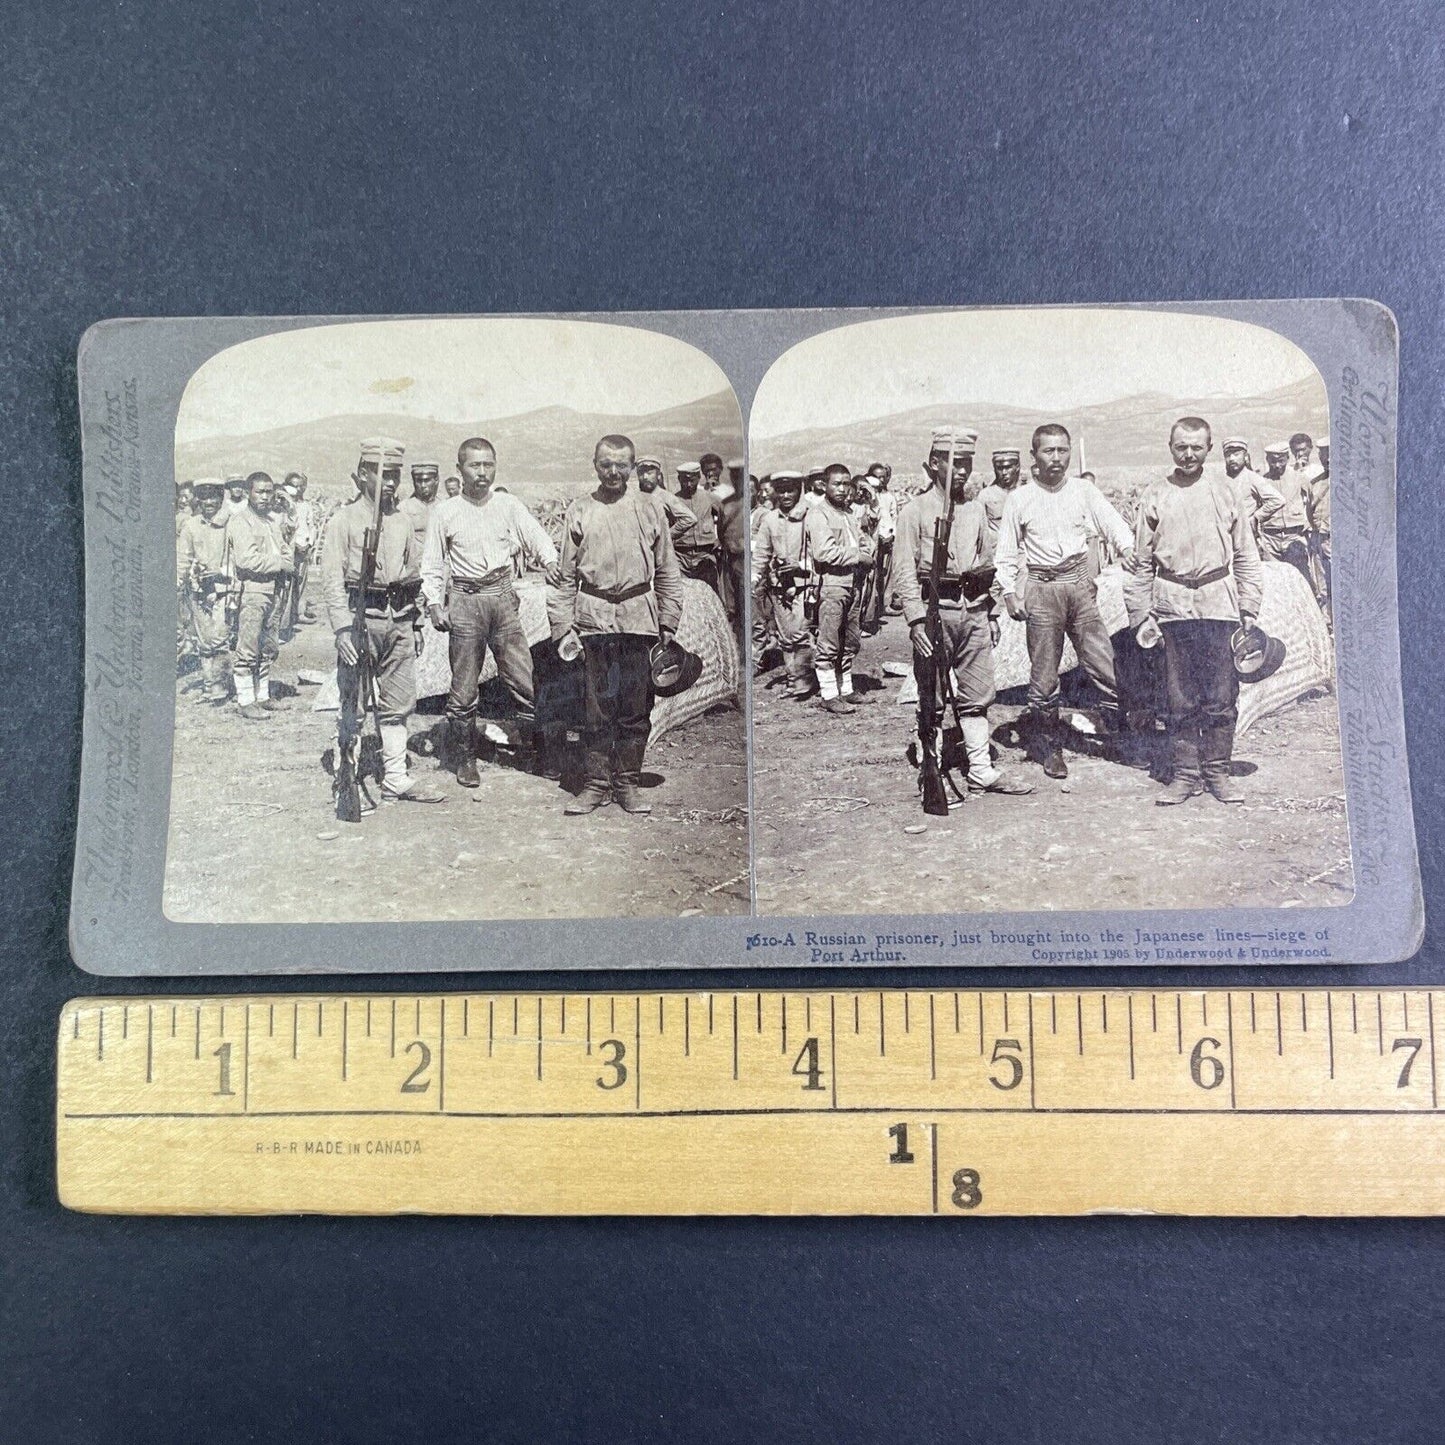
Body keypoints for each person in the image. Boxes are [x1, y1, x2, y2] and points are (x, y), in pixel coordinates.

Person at [1125, 417, 1263, 805]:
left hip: (1218, 606)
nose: (1188, 454)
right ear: (1170, 447)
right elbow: (1140, 562)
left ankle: (1218, 772)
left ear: (1209, 448)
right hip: (1173, 608)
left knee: (1220, 695)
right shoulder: (1156, 494)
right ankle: (1186, 774)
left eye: (1196, 447)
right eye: (1181, 447)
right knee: (1179, 698)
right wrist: (1140, 615)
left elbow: (1246, 555)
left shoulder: (1225, 492)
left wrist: (1249, 604)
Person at [550, 434, 683, 815]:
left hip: (638, 620)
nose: (613, 471)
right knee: (595, 706)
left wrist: (669, 619)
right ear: (595, 465)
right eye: (605, 464)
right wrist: (562, 627)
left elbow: (667, 570)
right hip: (593, 620)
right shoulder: (580, 509)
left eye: (621, 465)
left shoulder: (649, 509)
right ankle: (595, 784)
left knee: (634, 707)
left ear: (634, 466)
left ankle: (626, 783)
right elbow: (564, 576)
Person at [895, 428, 1031, 795]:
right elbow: (904, 572)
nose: (962, 471)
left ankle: (980, 770)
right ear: (934, 464)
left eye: (968, 464)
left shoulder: (974, 511)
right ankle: (931, 768)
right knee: (932, 696)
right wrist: (916, 621)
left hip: (973, 612)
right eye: (954, 463)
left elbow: (988, 563)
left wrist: (990, 614)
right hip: (934, 612)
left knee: (978, 692)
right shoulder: (913, 512)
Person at [995, 425, 1134, 780]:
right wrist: (1010, 592)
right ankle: (1049, 747)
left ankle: (1123, 739)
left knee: (1105, 666)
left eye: (1062, 451)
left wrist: (1129, 550)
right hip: (1041, 589)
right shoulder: (1020, 499)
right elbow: (1007, 552)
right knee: (1043, 678)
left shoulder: (1084, 491)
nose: (1056, 459)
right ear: (1034, 456)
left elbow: (1114, 525)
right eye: (1048, 451)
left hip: (1079, 586)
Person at [421, 437, 557, 787]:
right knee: (464, 687)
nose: (482, 473)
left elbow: (536, 537)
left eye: (488, 465)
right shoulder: (446, 511)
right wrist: (435, 602)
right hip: (465, 602)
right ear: (459, 469)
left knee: (524, 680)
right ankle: (465, 759)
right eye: (474, 465)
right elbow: (433, 563)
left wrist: (551, 561)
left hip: (503, 600)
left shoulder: (508, 505)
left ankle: (536, 752)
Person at [320, 437, 444, 806]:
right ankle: (350, 777)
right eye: (383, 475)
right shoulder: (343, 521)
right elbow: (330, 578)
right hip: (361, 621)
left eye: (395, 476)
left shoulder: (402, 521)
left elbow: (414, 573)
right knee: (354, 705)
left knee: (398, 702)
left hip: (399, 620)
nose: (391, 483)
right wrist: (342, 628)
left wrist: (416, 623)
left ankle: (395, 777)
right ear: (362, 475)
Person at [804, 462, 876, 713]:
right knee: (830, 641)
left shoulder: (849, 514)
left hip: (854, 583)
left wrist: (864, 552)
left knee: (851, 640)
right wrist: (858, 556)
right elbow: (824, 552)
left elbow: (864, 541)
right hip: (832, 584)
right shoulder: (818, 514)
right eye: (837, 484)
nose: (843, 489)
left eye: (847, 484)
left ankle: (846, 689)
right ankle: (828, 694)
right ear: (824, 485)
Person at [223, 472, 294, 719]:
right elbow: (246, 560)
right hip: (253, 591)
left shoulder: (272, 522)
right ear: (248, 493)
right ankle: (245, 700)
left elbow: (288, 553)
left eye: (269, 491)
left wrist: (284, 562)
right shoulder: (240, 521)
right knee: (248, 645)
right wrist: (280, 563)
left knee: (268, 645)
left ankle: (262, 696)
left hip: (275, 590)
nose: (265, 496)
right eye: (259, 491)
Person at [752, 470, 813, 697]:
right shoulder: (770, 520)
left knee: (799, 632)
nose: (786, 495)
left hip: (805, 585)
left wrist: (802, 564)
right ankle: (792, 681)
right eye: (781, 490)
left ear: (799, 490)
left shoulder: (811, 516)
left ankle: (805, 679)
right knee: (785, 638)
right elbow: (761, 553)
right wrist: (755, 577)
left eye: (791, 490)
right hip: (778, 586)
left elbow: (820, 550)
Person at [176, 479, 232, 704]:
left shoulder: (232, 522)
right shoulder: (191, 525)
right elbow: (183, 557)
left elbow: (240, 556)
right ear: (197, 499)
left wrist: (222, 572)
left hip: (225, 589)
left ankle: (221, 685)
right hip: (198, 589)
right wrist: (179, 581)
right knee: (204, 640)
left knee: (219, 638)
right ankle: (209, 686)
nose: (209, 502)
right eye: (204, 497)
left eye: (214, 497)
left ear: (221, 497)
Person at [1258, 432, 1317, 589]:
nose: (1277, 465)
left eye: (1281, 461)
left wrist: (1308, 523)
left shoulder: (1299, 478)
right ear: (1267, 460)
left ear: (1287, 458)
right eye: (1273, 462)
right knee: (1273, 582)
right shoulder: (1262, 481)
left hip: (1294, 536)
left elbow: (1313, 502)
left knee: (1302, 579)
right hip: (1270, 539)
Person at [673, 461, 723, 592]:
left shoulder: (709, 498)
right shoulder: (672, 500)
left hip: (705, 555)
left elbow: (727, 517)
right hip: (680, 556)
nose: (688, 485)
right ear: (679, 479)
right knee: (682, 594)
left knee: (709, 592)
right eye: (684, 480)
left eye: (692, 480)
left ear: (699, 478)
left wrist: (720, 539)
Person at [1220, 439, 1285, 539]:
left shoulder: (1252, 478)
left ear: (1245, 456)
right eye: (1228, 455)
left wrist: (1256, 517)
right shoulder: (1221, 479)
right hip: (1225, 533)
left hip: (1246, 534)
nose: (1232, 459)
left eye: (1236, 454)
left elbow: (1278, 500)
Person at [863, 462, 898, 620]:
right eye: (877, 477)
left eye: (883, 477)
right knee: (873, 574)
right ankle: (872, 608)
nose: (880, 480)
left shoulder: (889, 497)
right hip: (873, 540)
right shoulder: (866, 497)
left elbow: (893, 518)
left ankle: (885, 604)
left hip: (887, 538)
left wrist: (891, 535)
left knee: (886, 573)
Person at [977, 447, 1023, 559]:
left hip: (1022, 558)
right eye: (999, 468)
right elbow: (980, 532)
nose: (1004, 472)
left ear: (1017, 467)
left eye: (1008, 467)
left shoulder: (1026, 494)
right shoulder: (986, 495)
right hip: (996, 557)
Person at [1308, 434, 1332, 612]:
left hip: (1338, 540)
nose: (1328, 459)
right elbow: (1309, 511)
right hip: (1318, 539)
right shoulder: (1315, 484)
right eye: (1324, 456)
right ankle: (1327, 625)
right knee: (1321, 586)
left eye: (1330, 454)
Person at [402, 459, 441, 550]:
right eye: (419, 481)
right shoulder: (404, 508)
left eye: (427, 480)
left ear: (436, 480)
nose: (423, 485)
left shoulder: (444, 507)